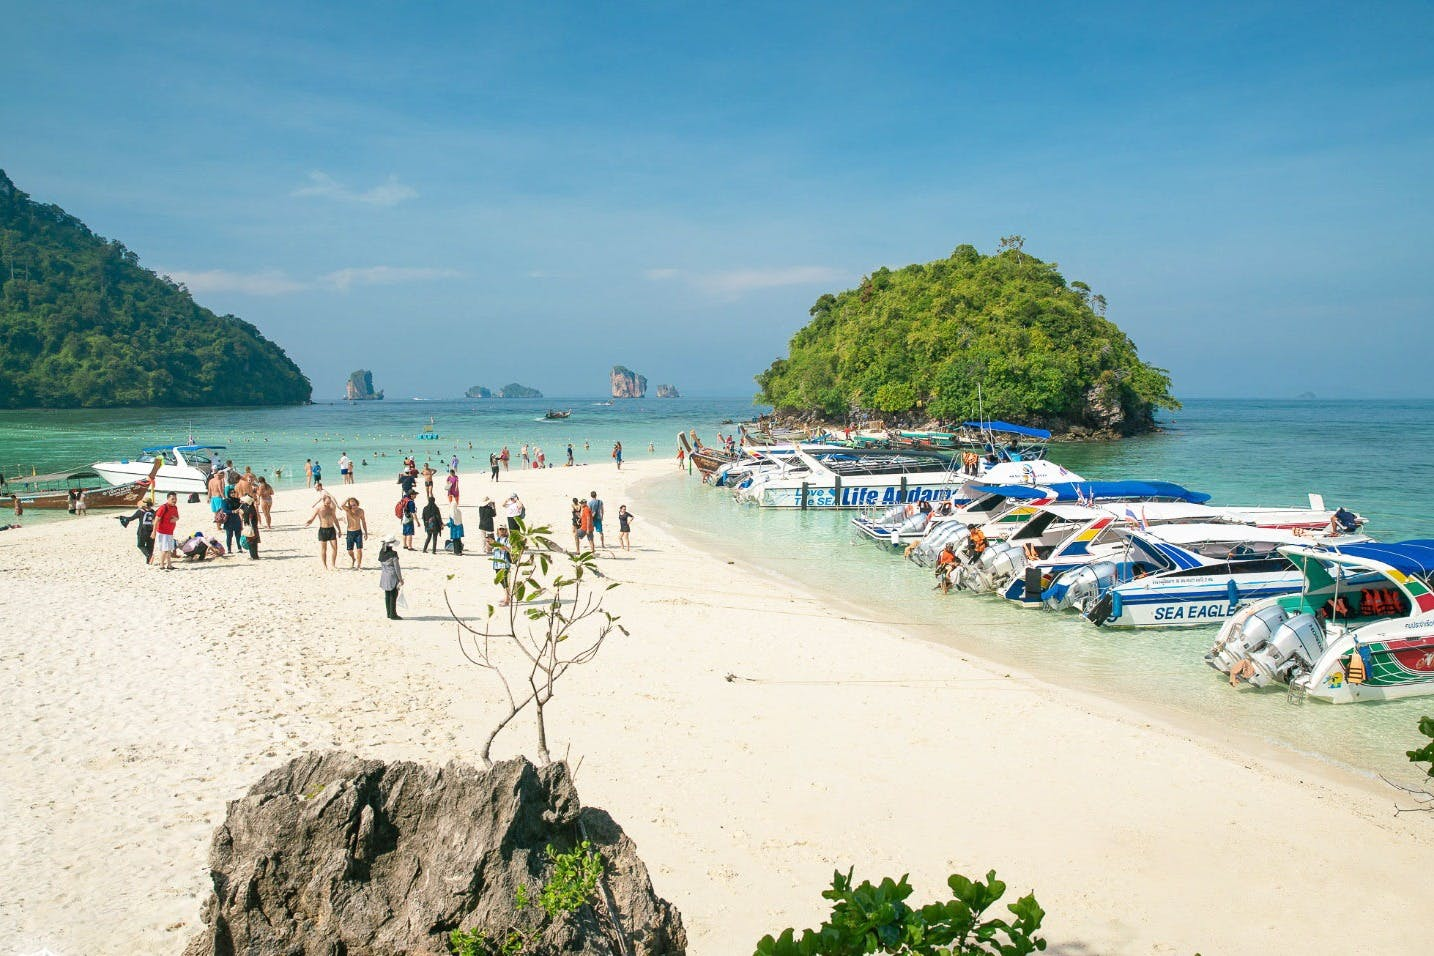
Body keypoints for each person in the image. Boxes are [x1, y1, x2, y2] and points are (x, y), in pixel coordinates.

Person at [305, 485, 342, 569]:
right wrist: (309, 522)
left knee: (335, 548)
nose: (328, 505)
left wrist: (339, 530)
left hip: (331, 529)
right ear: (323, 501)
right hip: (323, 530)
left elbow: (335, 520)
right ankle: (325, 566)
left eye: (329, 503)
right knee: (324, 549)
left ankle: (333, 564)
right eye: (327, 503)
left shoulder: (331, 509)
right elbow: (312, 518)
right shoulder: (319, 509)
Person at [378, 537, 404, 620]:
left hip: (384, 575)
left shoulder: (382, 552)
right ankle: (393, 614)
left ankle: (389, 613)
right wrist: (400, 579)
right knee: (393, 595)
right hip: (392, 576)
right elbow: (397, 568)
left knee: (387, 595)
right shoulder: (393, 554)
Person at [153, 491, 180, 570]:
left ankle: (169, 565)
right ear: (168, 499)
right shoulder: (163, 507)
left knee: (169, 549)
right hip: (162, 532)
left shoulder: (175, 507)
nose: (174, 500)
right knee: (164, 549)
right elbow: (157, 519)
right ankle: (161, 565)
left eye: (175, 499)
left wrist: (176, 519)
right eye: (172, 499)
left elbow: (177, 517)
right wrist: (153, 531)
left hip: (170, 532)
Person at [343, 497, 369, 569]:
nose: (353, 507)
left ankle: (359, 565)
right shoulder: (348, 510)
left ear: (357, 504)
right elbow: (342, 505)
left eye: (354, 505)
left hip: (358, 532)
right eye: (351, 505)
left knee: (359, 549)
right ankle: (353, 559)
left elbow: (363, 522)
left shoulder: (361, 511)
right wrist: (347, 499)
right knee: (349, 551)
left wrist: (366, 533)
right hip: (350, 532)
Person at [491, 527, 512, 607]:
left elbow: (508, 549)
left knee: (504, 581)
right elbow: (492, 549)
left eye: (503, 529)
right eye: (500, 529)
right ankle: (507, 596)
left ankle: (507, 599)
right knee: (501, 580)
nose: (501, 531)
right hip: (497, 563)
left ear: (506, 531)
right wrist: (489, 543)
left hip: (504, 563)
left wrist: (497, 544)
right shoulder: (498, 539)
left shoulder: (507, 540)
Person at [221, 490, 243, 554]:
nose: (233, 494)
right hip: (228, 520)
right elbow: (224, 510)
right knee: (229, 535)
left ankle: (239, 548)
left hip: (237, 519)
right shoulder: (225, 501)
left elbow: (242, 507)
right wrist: (232, 511)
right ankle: (229, 549)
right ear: (228, 493)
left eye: (234, 492)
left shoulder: (237, 500)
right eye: (231, 493)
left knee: (238, 535)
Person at [239, 494, 261, 559]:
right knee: (253, 542)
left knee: (251, 542)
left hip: (250, 527)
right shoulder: (250, 507)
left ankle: (253, 556)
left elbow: (248, 518)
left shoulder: (249, 509)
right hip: (252, 527)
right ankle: (255, 556)